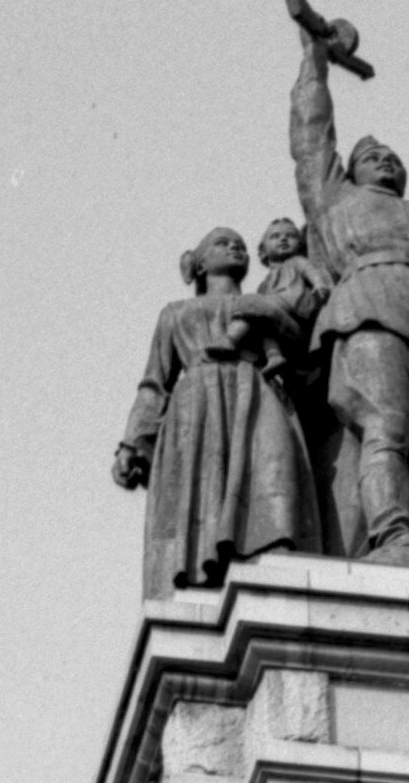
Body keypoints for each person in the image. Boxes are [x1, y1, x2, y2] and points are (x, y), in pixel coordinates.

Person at [286, 13, 409, 560]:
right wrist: (315, 60)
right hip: (369, 314)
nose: (384, 160)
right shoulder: (335, 201)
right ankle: (390, 530)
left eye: (393, 159)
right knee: (386, 428)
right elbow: (312, 137)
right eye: (371, 158)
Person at [111, 227, 323, 599]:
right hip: (198, 405)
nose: (234, 247)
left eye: (240, 245)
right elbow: (154, 384)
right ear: (201, 263)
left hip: (259, 390)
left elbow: (297, 343)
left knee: (273, 472)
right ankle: (203, 571)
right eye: (222, 243)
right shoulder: (175, 313)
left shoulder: (267, 300)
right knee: (206, 489)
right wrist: (131, 442)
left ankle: (276, 561)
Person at [252, 216, 336, 549]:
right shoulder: (265, 283)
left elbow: (316, 274)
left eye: (289, 236)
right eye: (276, 237)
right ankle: (274, 356)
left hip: (297, 310)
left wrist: (322, 287)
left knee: (253, 311)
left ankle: (245, 344)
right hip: (278, 318)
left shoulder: (298, 265)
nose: (284, 240)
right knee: (258, 317)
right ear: (262, 251)